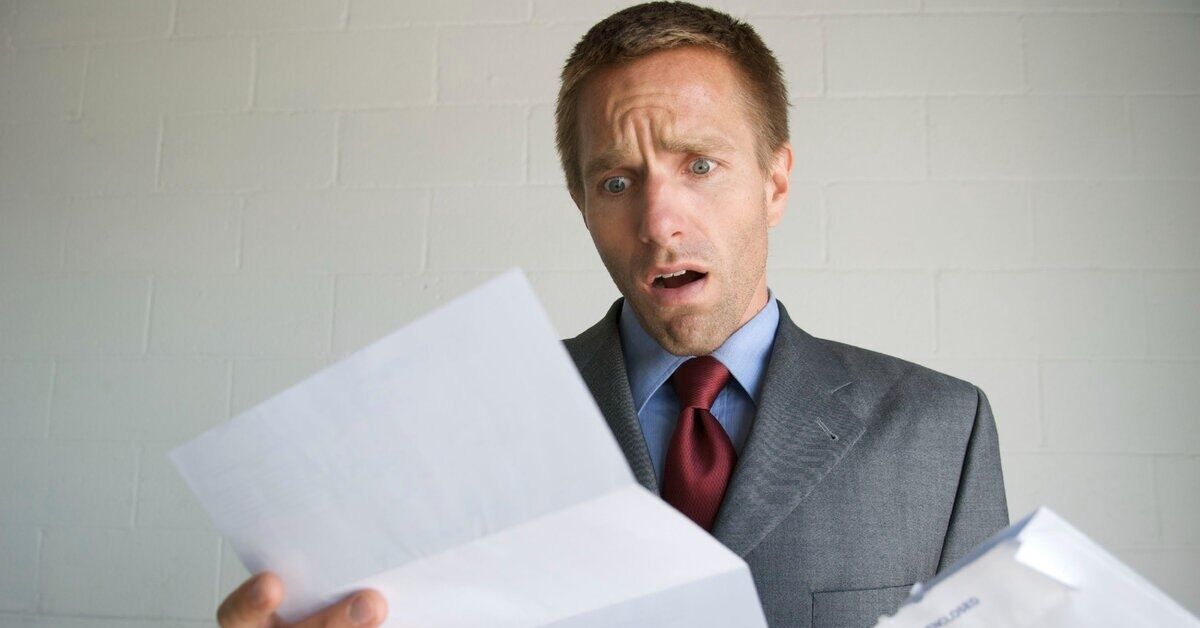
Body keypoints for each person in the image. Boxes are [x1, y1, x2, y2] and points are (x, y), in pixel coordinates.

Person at [216, 3, 1008, 627]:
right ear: (582, 204)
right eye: (617, 183)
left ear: (775, 183)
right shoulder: (472, 428)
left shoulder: (942, 429)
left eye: (701, 165)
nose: (659, 222)